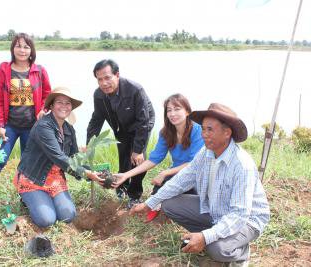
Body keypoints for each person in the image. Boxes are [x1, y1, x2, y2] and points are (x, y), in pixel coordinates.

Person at [130, 103, 270, 265]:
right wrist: (150, 203)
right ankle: (212, 236)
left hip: (247, 220)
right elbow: (181, 180)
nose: (204, 134)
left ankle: (240, 252)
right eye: (203, 129)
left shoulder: (241, 165)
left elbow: (239, 214)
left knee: (217, 249)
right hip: (216, 209)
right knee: (169, 205)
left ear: (227, 133)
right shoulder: (206, 153)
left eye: (210, 129)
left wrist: (205, 237)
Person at [0, 33, 52, 216]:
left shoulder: (39, 71)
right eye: (18, 46)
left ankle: (25, 198)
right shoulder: (4, 70)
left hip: (32, 128)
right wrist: (0, 125)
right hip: (9, 126)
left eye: (26, 47)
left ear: (31, 51)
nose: (22, 50)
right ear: (13, 48)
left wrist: (44, 108)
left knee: (27, 165)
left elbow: (48, 95)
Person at [13, 87, 103, 228]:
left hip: (55, 179)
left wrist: (91, 172)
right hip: (34, 178)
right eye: (59, 102)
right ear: (52, 105)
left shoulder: (68, 129)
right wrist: (86, 173)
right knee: (47, 220)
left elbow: (73, 157)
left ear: (71, 107)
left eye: (68, 103)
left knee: (68, 215)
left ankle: (45, 200)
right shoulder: (43, 126)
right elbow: (59, 157)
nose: (64, 106)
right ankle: (28, 199)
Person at [113, 94, 204, 222]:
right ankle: (161, 205)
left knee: (185, 191)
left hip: (197, 173)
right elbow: (153, 159)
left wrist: (165, 172)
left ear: (187, 111)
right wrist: (126, 175)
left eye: (177, 109)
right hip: (176, 173)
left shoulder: (197, 130)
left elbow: (194, 163)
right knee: (159, 189)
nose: (172, 114)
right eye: (169, 110)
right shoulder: (166, 132)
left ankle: (181, 203)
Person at [87, 59, 155, 209]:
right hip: (121, 127)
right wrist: (90, 144)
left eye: (107, 77)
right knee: (123, 156)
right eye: (100, 79)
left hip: (141, 124)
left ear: (117, 75)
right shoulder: (99, 95)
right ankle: (122, 188)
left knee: (137, 159)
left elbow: (143, 121)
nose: (104, 83)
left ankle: (134, 194)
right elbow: (97, 119)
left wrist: (137, 150)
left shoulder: (135, 90)